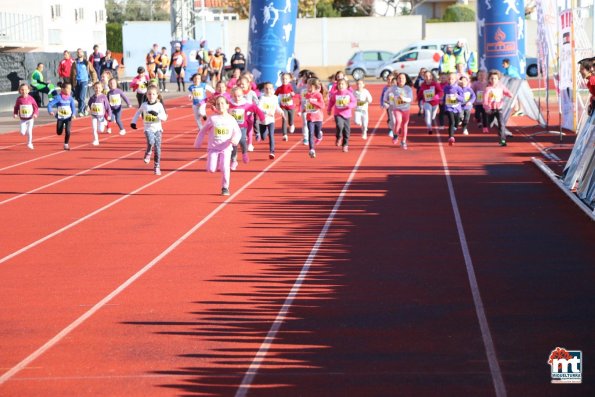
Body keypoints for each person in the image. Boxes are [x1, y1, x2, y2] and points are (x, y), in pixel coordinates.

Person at [193, 95, 242, 196]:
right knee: (211, 169)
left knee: (225, 167)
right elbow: (203, 131)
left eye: (222, 103)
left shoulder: (231, 119)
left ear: (227, 105)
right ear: (215, 107)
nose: (220, 106)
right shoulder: (212, 119)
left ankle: (225, 187)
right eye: (218, 104)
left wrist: (235, 139)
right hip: (213, 148)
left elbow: (237, 132)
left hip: (226, 148)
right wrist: (197, 143)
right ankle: (216, 165)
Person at [131, 86, 168, 175]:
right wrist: (133, 122)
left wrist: (156, 115)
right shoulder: (144, 105)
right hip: (148, 129)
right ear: (146, 95)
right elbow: (138, 113)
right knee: (151, 142)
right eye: (149, 94)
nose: (151, 96)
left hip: (158, 129)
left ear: (157, 95)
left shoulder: (159, 105)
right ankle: (148, 152)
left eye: (153, 94)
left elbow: (164, 118)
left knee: (158, 149)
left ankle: (157, 166)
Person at [229, 86, 265, 169]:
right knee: (233, 144)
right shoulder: (229, 104)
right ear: (232, 96)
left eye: (239, 96)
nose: (237, 98)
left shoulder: (246, 104)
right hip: (232, 128)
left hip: (242, 127)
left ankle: (244, 153)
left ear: (242, 96)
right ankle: (234, 161)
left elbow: (256, 109)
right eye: (235, 96)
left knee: (242, 141)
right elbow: (222, 109)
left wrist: (262, 117)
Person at [483, 70, 513, 146]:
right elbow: (485, 99)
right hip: (490, 109)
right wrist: (487, 108)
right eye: (491, 78)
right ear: (489, 79)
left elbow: (506, 91)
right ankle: (488, 123)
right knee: (490, 124)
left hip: (499, 108)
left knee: (501, 124)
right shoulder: (488, 89)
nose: (493, 80)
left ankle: (503, 140)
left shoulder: (501, 86)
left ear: (498, 79)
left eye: (495, 78)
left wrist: (510, 94)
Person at [257, 82, 286, 159]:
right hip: (262, 120)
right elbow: (259, 108)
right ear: (264, 89)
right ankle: (264, 133)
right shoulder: (262, 98)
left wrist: (281, 112)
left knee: (271, 135)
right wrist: (267, 112)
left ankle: (272, 152)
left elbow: (277, 107)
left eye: (270, 88)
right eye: (266, 88)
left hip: (271, 120)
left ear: (273, 89)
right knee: (263, 137)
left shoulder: (275, 98)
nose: (268, 90)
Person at [327, 78, 356, 152]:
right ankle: (338, 137)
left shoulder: (349, 93)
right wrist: (329, 109)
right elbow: (331, 102)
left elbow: (354, 102)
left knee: (347, 131)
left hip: (347, 115)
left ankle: (345, 145)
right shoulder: (335, 94)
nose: (341, 85)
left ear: (346, 85)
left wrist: (349, 105)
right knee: (339, 126)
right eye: (339, 84)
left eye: (342, 84)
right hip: (338, 114)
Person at [386, 73, 413, 149]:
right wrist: (385, 100)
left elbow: (410, 99)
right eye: (399, 78)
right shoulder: (394, 88)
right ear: (397, 80)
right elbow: (386, 93)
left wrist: (403, 99)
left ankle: (403, 141)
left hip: (406, 109)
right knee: (398, 121)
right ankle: (395, 135)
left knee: (404, 126)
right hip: (397, 109)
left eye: (403, 78)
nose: (401, 80)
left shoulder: (408, 88)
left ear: (405, 80)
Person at [47, 82, 77, 150]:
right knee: (59, 132)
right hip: (60, 117)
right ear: (62, 89)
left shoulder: (70, 98)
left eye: (70, 89)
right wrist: (50, 111)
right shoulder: (58, 98)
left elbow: (73, 108)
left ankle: (66, 144)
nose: (70, 90)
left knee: (68, 131)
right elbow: (50, 105)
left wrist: (73, 114)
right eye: (68, 89)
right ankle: (62, 126)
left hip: (68, 117)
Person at [71, 48, 97, 117]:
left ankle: (80, 111)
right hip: (77, 82)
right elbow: (72, 74)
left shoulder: (87, 63)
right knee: (77, 97)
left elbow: (93, 72)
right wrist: (72, 83)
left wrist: (94, 81)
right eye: (78, 52)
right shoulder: (74, 63)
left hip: (84, 81)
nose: (79, 53)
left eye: (80, 52)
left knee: (82, 97)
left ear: (83, 53)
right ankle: (85, 106)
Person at [304, 77, 325, 158]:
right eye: (307, 86)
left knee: (317, 133)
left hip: (318, 118)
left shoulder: (318, 95)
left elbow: (322, 106)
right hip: (310, 118)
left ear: (314, 86)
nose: (307, 88)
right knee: (310, 133)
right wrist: (304, 109)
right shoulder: (307, 95)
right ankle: (312, 150)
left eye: (309, 86)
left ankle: (319, 135)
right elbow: (307, 105)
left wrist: (313, 101)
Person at [13, 83, 39, 150]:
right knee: (22, 133)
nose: (24, 91)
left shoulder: (31, 99)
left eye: (25, 90)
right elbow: (16, 107)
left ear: (28, 90)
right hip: (23, 119)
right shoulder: (19, 99)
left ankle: (30, 143)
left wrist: (35, 114)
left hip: (30, 118)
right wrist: (15, 113)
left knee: (29, 131)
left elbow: (36, 107)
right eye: (22, 90)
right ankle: (25, 130)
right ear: (20, 91)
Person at [442, 72, 464, 146]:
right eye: (449, 79)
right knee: (451, 121)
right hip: (449, 107)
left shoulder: (459, 88)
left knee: (456, 122)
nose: (450, 80)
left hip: (457, 107)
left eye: (452, 79)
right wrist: (442, 102)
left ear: (455, 79)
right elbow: (444, 96)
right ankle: (451, 137)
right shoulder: (445, 87)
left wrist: (457, 96)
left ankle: (455, 127)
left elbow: (462, 99)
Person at [87, 81, 112, 146]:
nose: (97, 89)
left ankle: (105, 122)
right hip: (94, 115)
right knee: (94, 128)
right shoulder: (92, 97)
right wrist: (88, 108)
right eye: (96, 88)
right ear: (93, 88)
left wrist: (109, 115)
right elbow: (89, 104)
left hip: (101, 116)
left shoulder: (103, 97)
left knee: (100, 130)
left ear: (102, 88)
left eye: (99, 88)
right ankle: (96, 140)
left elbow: (108, 107)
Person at [419, 70, 443, 135]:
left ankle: (431, 119)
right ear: (424, 77)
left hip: (435, 103)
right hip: (427, 102)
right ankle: (429, 128)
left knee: (432, 116)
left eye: (429, 76)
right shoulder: (422, 85)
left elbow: (441, 92)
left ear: (431, 77)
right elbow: (420, 93)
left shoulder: (435, 84)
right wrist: (419, 99)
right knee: (427, 113)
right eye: (426, 76)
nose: (427, 77)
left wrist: (436, 96)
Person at [275, 72, 297, 141]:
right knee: (284, 120)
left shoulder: (290, 87)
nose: (284, 80)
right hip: (283, 107)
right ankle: (284, 135)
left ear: (289, 80)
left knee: (290, 121)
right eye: (283, 79)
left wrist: (293, 94)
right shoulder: (279, 88)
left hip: (290, 107)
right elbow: (275, 96)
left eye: (286, 79)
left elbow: (294, 94)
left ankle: (292, 124)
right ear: (281, 80)